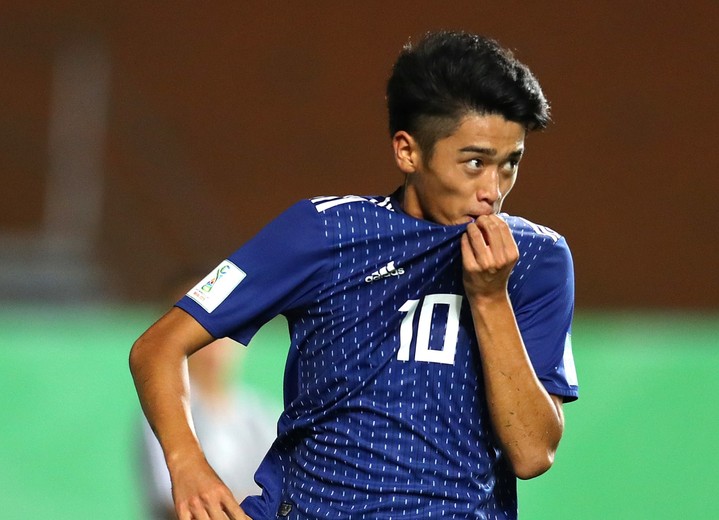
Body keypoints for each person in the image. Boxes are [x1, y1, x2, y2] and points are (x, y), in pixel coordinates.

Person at [129, 30, 578, 520]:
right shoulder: (321, 231)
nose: (493, 190)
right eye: (475, 163)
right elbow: (157, 347)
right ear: (408, 151)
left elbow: (533, 453)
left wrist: (490, 298)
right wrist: (188, 466)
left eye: (510, 164)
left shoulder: (537, 260)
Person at [137, 278, 277, 519]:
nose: (213, 341)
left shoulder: (261, 414)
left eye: (225, 325)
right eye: (198, 327)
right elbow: (177, 504)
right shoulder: (163, 414)